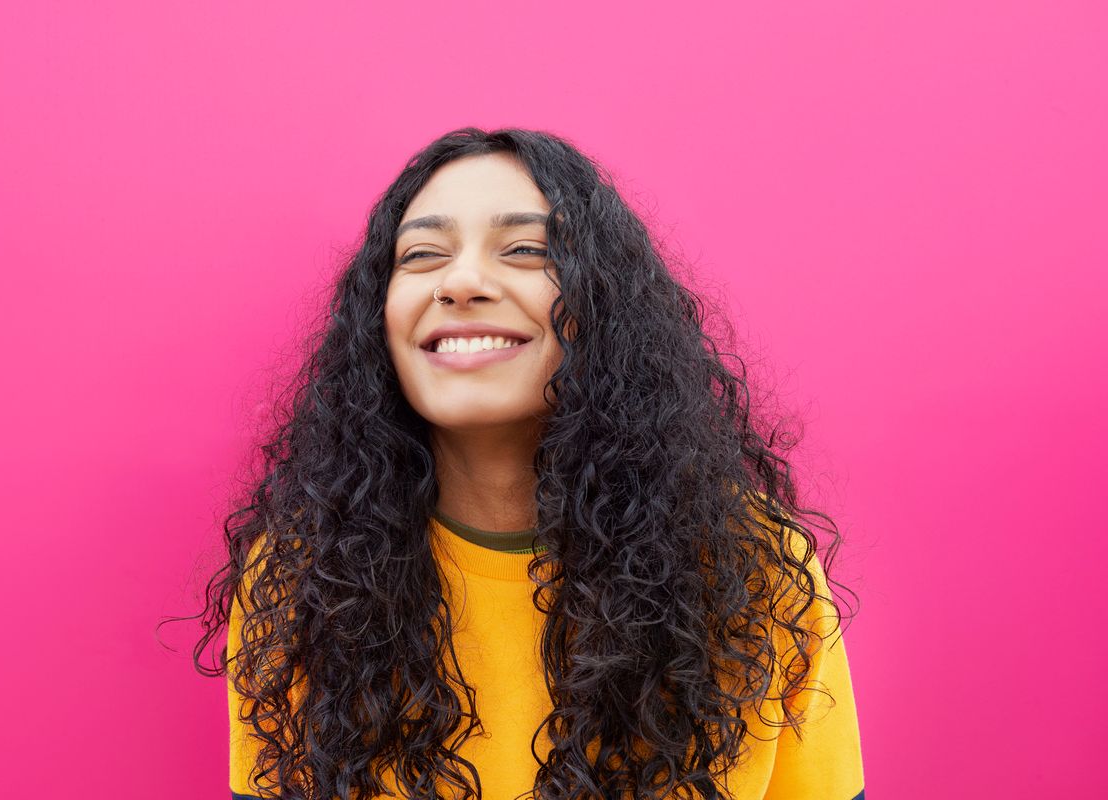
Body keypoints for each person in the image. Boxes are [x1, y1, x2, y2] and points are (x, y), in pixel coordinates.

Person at [193, 127, 864, 800]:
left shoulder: (757, 573)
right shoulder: (306, 581)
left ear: (602, 306)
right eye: (423, 254)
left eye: (524, 250)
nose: (461, 282)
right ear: (377, 319)